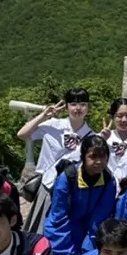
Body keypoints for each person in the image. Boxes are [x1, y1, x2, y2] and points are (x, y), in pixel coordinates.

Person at [43, 133, 117, 255]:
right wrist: (63, 254)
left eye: (103, 157)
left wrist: (87, 253)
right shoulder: (67, 178)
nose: (98, 162)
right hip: (62, 234)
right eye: (93, 156)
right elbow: (58, 218)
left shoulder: (109, 181)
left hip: (88, 235)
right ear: (83, 156)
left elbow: (99, 220)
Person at [17, 87, 95, 232]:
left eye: (83, 104)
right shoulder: (53, 125)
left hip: (71, 191)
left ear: (88, 108)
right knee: (38, 231)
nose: (78, 108)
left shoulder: (92, 137)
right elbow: (22, 134)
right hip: (47, 186)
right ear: (66, 107)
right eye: (73, 104)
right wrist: (44, 115)